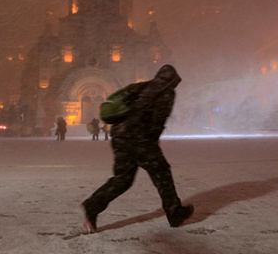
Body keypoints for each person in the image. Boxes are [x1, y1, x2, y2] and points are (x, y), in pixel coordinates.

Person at [81, 65, 194, 233]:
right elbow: (158, 119)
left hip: (120, 137)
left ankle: (92, 206)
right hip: (140, 139)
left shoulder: (142, 86)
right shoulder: (166, 92)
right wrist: (152, 140)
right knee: (162, 173)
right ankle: (175, 212)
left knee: (123, 179)